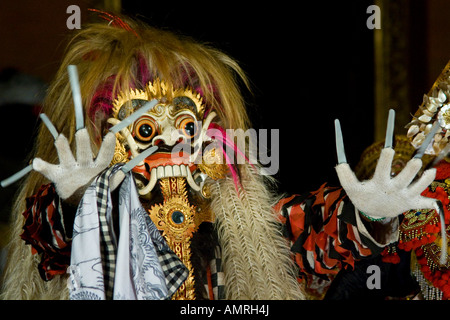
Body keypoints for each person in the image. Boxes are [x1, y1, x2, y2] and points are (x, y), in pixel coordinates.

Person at [0, 11, 437, 300]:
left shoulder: (230, 207)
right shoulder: (77, 211)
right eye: (147, 128)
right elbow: (51, 248)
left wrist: (365, 216)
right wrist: (77, 202)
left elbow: (300, 234)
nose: (171, 139)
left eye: (187, 124)